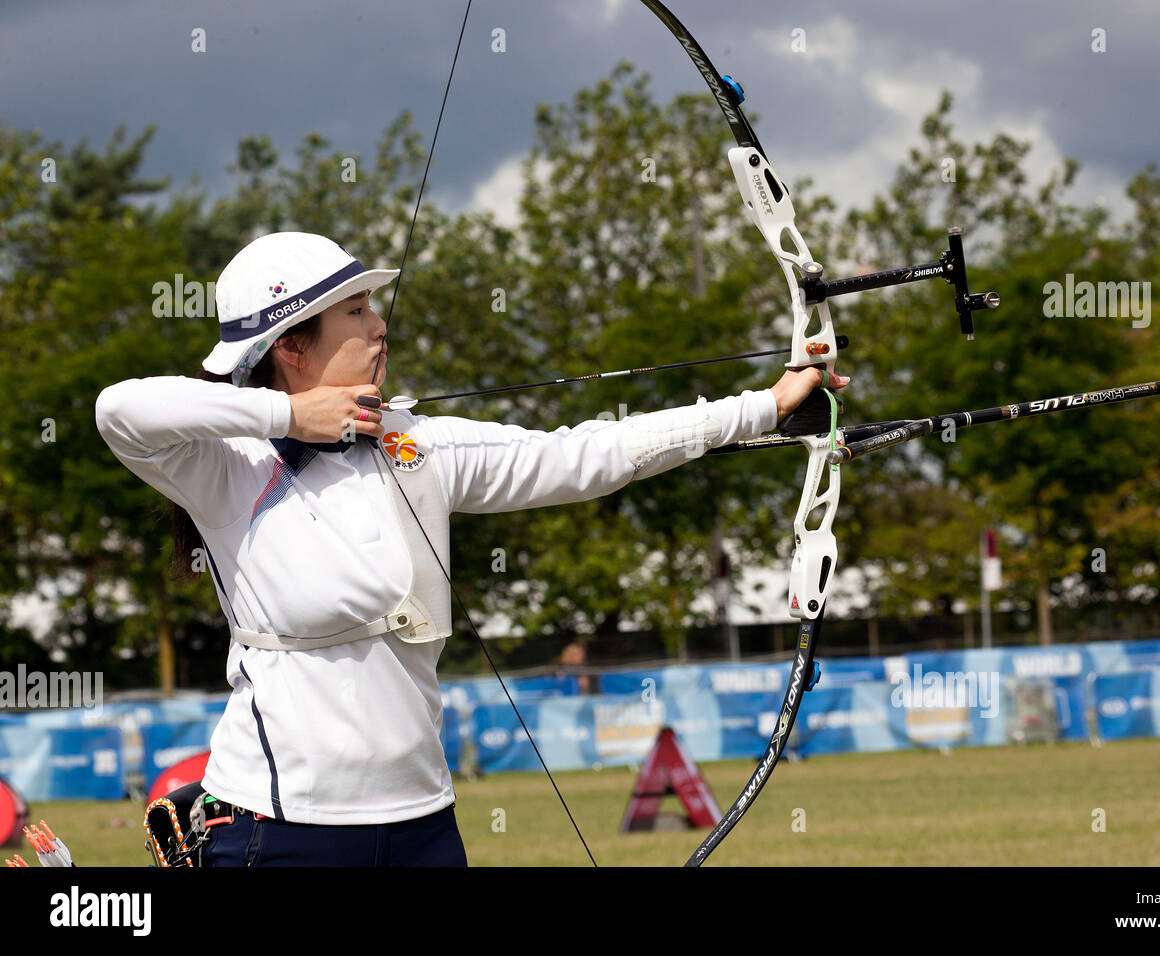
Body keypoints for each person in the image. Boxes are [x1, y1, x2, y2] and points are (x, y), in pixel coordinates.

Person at [95, 231, 847, 866]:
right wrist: (290, 413)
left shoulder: (414, 443)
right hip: (280, 826)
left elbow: (592, 454)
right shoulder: (229, 466)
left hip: (422, 820)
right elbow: (119, 409)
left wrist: (763, 407)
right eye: (355, 312)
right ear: (291, 345)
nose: (379, 325)